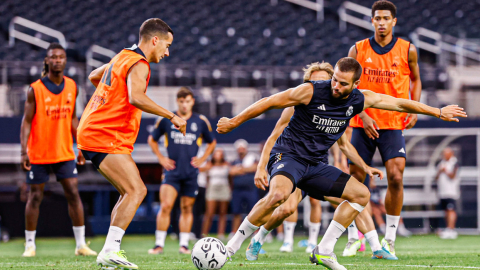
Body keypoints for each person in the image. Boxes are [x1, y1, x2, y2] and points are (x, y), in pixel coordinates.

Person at [217, 57, 466, 269]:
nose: (335, 85)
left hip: (315, 164)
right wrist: (235, 121)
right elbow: (269, 101)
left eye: (342, 83)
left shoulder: (359, 99)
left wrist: (438, 112)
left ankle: (324, 249)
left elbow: (399, 103)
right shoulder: (311, 90)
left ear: (355, 84)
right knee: (280, 197)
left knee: (361, 194)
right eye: (334, 79)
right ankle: (230, 248)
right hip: (289, 156)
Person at [236, 62, 394, 262]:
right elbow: (274, 136)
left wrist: (357, 164)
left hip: (319, 165)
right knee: (286, 208)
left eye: (323, 80)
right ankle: (259, 237)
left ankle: (375, 246)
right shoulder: (297, 105)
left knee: (354, 198)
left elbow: (343, 143)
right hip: (293, 162)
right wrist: (261, 166)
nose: (321, 85)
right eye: (314, 81)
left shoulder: (337, 106)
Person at [78, 18, 187, 270]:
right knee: (137, 191)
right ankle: (110, 250)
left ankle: (108, 252)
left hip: (94, 132)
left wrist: (112, 95)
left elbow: (95, 76)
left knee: (129, 191)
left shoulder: (122, 56)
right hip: (103, 135)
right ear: (155, 40)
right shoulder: (139, 63)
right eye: (167, 45)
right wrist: (171, 115)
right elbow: (136, 97)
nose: (167, 52)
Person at [346, 0, 422, 257]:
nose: (381, 22)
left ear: (393, 21)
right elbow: (348, 86)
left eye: (385, 18)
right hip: (362, 121)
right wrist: (363, 114)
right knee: (356, 180)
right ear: (371, 21)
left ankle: (389, 238)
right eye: (377, 18)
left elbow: (416, 79)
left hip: (391, 123)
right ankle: (353, 237)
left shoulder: (407, 49)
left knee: (397, 176)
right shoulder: (358, 49)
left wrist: (413, 107)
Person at [19, 43, 96, 258]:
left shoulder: (73, 86)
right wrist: (23, 151)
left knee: (73, 193)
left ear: (65, 60)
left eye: (61, 57)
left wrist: (80, 144)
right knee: (35, 197)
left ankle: (81, 245)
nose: (57, 60)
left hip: (64, 153)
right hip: (39, 153)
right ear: (47, 61)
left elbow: (73, 118)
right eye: (53, 57)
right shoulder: (35, 89)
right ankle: (30, 245)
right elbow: (26, 122)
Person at [148, 87, 216, 255]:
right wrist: (161, 158)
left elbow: (212, 142)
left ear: (192, 101)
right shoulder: (167, 119)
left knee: (187, 208)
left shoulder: (201, 121)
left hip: (191, 172)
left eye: (187, 101)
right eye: (181, 101)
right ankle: (159, 245)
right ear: (177, 102)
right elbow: (152, 139)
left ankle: (184, 245)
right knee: (166, 206)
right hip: (172, 172)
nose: (184, 105)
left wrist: (203, 158)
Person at [228, 139, 259, 238]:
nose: (241, 150)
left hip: (250, 189)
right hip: (237, 190)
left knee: (254, 212)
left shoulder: (252, 158)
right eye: (239, 148)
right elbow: (231, 172)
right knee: (236, 212)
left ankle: (257, 233)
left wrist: (240, 169)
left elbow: (255, 168)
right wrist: (246, 169)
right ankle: (234, 232)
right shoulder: (234, 160)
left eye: (242, 148)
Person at [201, 148, 231, 240]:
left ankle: (220, 234)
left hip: (224, 188)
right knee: (209, 213)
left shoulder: (226, 165)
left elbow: (230, 177)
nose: (218, 156)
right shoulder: (209, 165)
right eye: (216, 154)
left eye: (220, 154)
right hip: (212, 189)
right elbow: (203, 173)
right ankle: (204, 234)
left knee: (222, 213)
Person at [435, 147, 460, 239]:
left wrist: (445, 171)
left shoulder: (455, 163)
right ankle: (448, 228)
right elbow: (436, 177)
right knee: (446, 211)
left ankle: (451, 229)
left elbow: (453, 176)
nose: (444, 155)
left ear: (451, 153)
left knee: (451, 210)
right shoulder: (441, 163)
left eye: (446, 153)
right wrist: (440, 171)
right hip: (442, 191)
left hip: (451, 191)